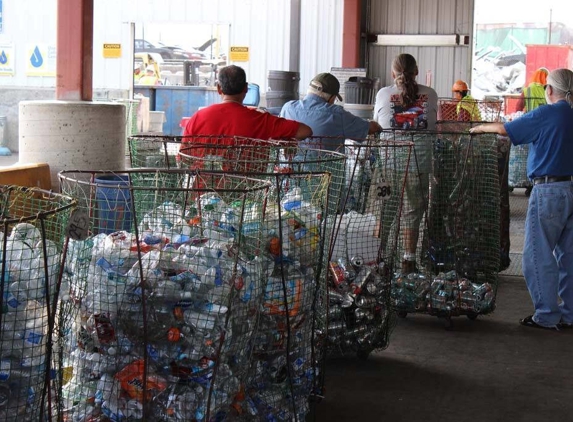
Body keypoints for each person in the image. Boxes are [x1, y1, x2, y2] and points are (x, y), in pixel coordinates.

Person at [469, 68, 573, 331]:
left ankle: (547, 314)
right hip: (571, 188)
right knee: (569, 256)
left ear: (549, 90)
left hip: (548, 190)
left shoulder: (545, 114)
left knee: (537, 255)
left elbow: (506, 129)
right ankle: (570, 314)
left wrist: (479, 128)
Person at [374, 53, 438, 274]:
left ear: (393, 73)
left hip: (387, 166)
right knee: (413, 211)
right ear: (417, 71)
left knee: (385, 208)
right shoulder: (430, 94)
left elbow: (377, 124)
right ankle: (408, 260)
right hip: (418, 164)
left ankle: (378, 257)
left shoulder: (383, 94)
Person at [181, 65, 312, 173]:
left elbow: (184, 159)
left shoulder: (197, 117)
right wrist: (284, 140)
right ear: (246, 88)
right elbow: (305, 131)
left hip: (201, 196)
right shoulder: (262, 120)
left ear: (219, 89)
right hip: (250, 195)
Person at [279, 72, 381, 151]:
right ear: (331, 98)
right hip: (327, 176)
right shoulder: (337, 114)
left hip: (288, 175)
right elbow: (369, 128)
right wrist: (377, 126)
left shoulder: (287, 108)